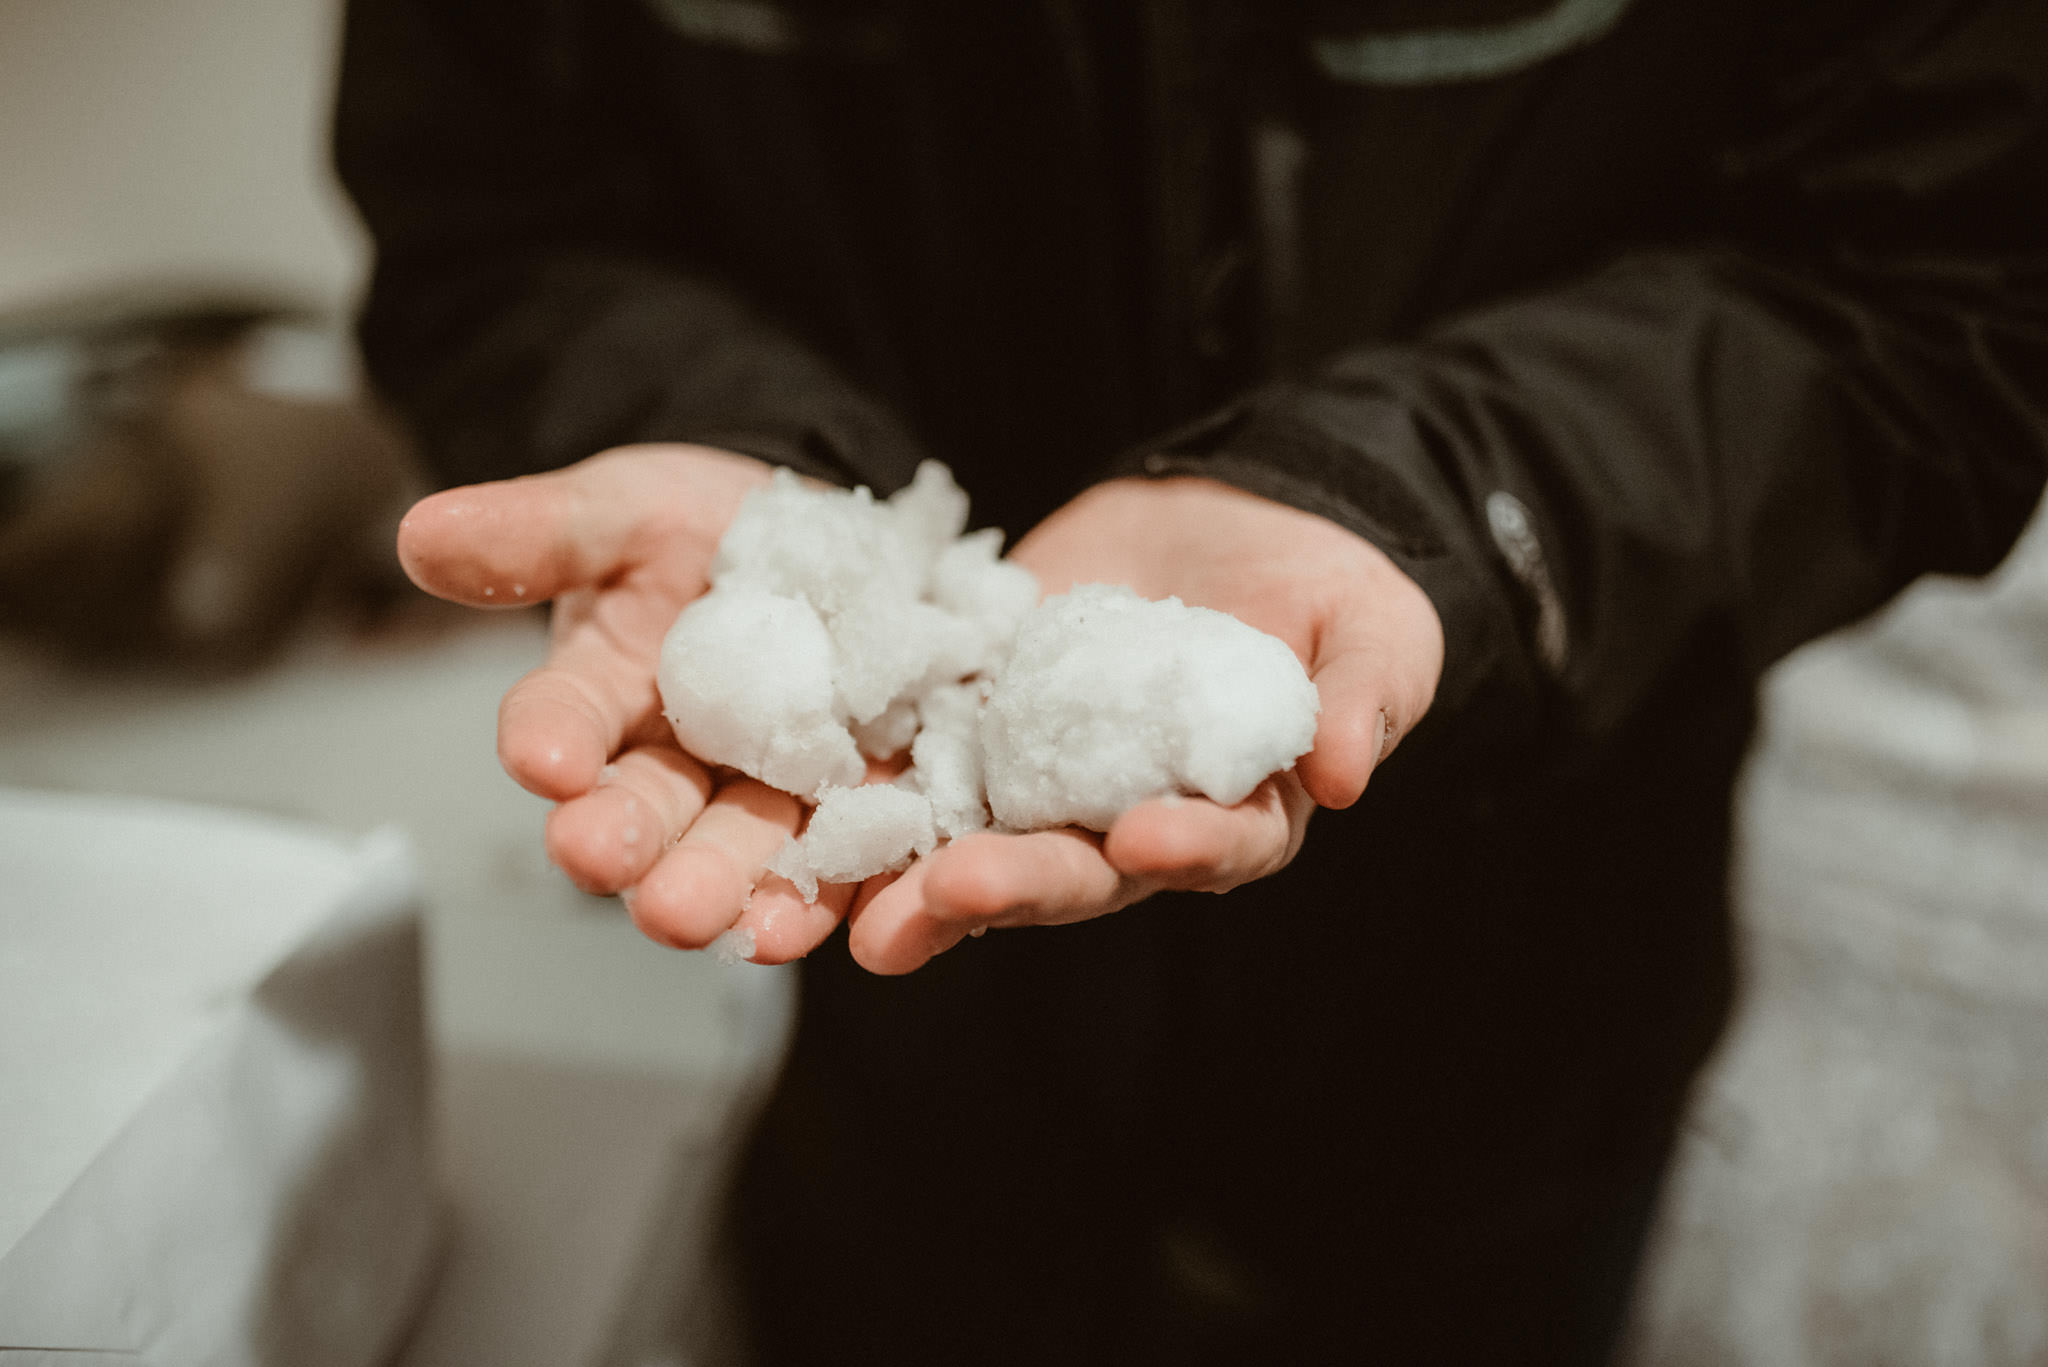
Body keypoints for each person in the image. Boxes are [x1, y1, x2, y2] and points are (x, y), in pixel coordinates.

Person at [336, 1, 2047, 1361]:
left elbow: (1943, 282)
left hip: (1510, 991)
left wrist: (1432, 501)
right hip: (902, 1052)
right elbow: (492, 218)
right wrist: (748, 463)